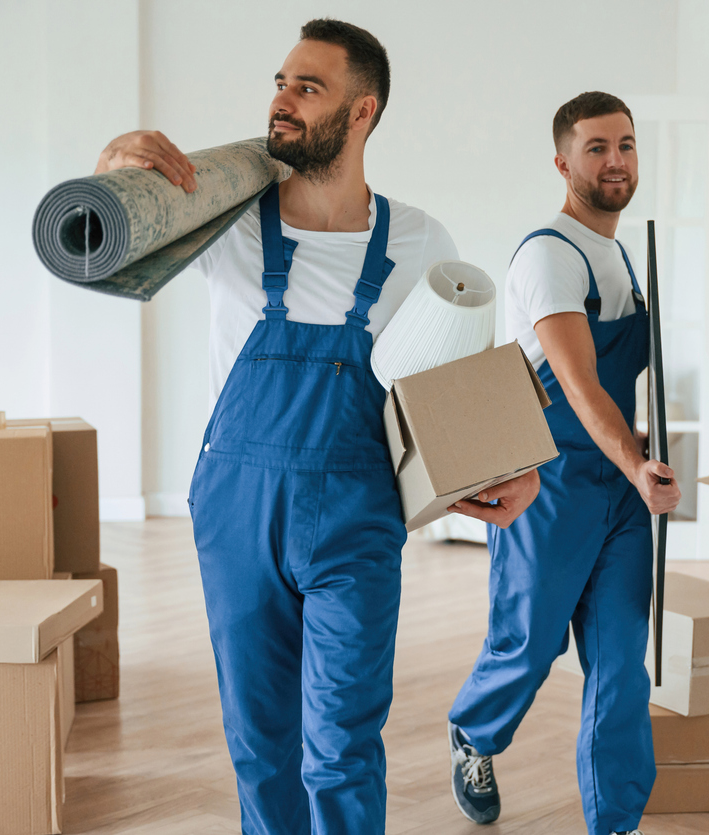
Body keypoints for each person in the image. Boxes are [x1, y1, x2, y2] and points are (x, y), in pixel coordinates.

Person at [93, 19, 540, 835]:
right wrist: (114, 170)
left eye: (308, 87)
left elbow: (450, 387)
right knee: (260, 743)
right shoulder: (220, 213)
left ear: (361, 111)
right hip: (236, 513)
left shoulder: (418, 242)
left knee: (340, 741)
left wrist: (514, 463)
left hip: (356, 518)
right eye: (280, 82)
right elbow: (102, 254)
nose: (281, 101)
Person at [446, 92, 681, 835]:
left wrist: (637, 467)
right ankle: (474, 735)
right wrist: (636, 464)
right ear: (562, 162)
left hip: (616, 489)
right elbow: (579, 387)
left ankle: (614, 820)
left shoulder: (620, 256)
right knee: (530, 643)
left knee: (619, 664)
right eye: (596, 148)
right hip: (544, 483)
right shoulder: (550, 253)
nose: (615, 160)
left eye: (626, 145)